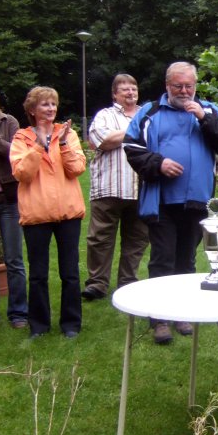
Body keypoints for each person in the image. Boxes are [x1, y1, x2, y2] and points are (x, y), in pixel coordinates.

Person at [124, 61, 218, 345]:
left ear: (195, 86)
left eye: (189, 86)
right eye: (178, 86)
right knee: (162, 258)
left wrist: (204, 119)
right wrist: (158, 163)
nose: (184, 91)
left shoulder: (209, 110)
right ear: (167, 86)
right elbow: (130, 146)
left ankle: (182, 312)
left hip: (198, 199)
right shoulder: (150, 112)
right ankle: (159, 318)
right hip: (161, 200)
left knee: (187, 258)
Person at [10, 86, 86, 338]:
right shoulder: (22, 138)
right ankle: (39, 326)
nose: (51, 108)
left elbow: (77, 168)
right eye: (45, 104)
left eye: (53, 104)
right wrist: (38, 147)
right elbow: (21, 173)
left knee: (70, 272)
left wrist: (62, 143)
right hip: (36, 215)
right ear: (32, 109)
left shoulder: (68, 134)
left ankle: (71, 324)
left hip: (68, 213)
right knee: (38, 274)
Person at [82, 74, 149, 301]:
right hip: (109, 187)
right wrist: (137, 128)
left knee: (137, 239)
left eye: (133, 88)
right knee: (100, 239)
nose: (130, 93)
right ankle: (97, 283)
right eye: (125, 89)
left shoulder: (147, 114)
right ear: (114, 94)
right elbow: (103, 141)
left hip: (140, 188)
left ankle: (127, 282)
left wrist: (128, 130)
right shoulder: (105, 115)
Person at [0, 87, 28, 329]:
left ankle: (18, 313)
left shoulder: (9, 122)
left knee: (14, 260)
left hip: (8, 200)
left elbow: (15, 152)